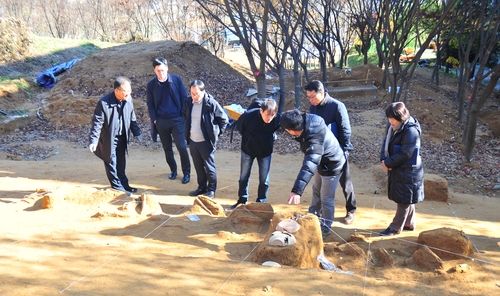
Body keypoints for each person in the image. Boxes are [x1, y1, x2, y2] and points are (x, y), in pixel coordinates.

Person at [280, 109, 345, 238]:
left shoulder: (314, 140)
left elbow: (309, 165)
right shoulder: (308, 121)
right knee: (316, 190)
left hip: (332, 165)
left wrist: (297, 191)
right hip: (322, 163)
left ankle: (325, 227)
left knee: (326, 198)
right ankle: (312, 216)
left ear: (291, 131)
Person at [306, 80, 357, 224]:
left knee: (345, 183)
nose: (311, 100)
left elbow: (345, 130)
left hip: (339, 152)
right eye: (308, 97)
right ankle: (317, 211)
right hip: (321, 152)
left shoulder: (337, 106)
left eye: (313, 97)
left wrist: (343, 151)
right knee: (318, 184)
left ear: (321, 93)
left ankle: (351, 210)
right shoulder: (313, 107)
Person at [89, 76, 142, 195]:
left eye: (130, 90)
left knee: (121, 162)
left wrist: (136, 132)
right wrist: (94, 141)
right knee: (111, 162)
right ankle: (117, 187)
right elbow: (97, 123)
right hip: (109, 138)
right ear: (116, 91)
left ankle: (124, 184)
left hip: (122, 136)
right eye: (125, 91)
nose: (128, 93)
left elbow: (132, 116)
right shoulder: (103, 103)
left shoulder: (128, 99)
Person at [379, 102, 424, 236]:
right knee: (406, 197)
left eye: (393, 119)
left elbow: (406, 153)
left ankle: (395, 227)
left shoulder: (410, 130)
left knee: (404, 200)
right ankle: (409, 223)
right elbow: (385, 144)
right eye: (389, 118)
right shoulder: (395, 127)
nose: (390, 121)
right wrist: (384, 159)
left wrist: (389, 163)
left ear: (402, 117)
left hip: (409, 170)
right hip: (401, 168)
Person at [146, 57, 191, 184]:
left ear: (167, 68)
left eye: (163, 70)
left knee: (181, 147)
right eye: (158, 70)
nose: (161, 72)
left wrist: (183, 116)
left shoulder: (176, 80)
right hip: (161, 121)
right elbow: (150, 105)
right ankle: (173, 170)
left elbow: (184, 98)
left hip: (177, 119)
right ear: (154, 70)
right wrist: (155, 119)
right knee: (167, 148)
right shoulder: (151, 85)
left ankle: (186, 173)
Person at [231, 98, 281, 209]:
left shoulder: (277, 119)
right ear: (261, 111)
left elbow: (278, 127)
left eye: (272, 115)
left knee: (264, 179)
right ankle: (242, 200)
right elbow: (240, 127)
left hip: (265, 152)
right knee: (244, 176)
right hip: (248, 149)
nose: (269, 118)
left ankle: (261, 202)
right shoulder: (248, 116)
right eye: (267, 114)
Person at [183, 80, 229, 199]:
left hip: (206, 142)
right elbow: (184, 116)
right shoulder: (188, 102)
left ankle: (211, 190)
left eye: (197, 93)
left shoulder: (211, 103)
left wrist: (215, 134)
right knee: (198, 166)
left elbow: (224, 120)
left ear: (203, 92)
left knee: (209, 167)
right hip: (193, 140)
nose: (194, 96)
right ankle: (202, 187)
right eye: (192, 93)